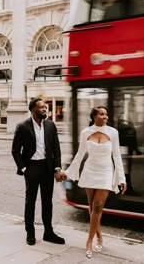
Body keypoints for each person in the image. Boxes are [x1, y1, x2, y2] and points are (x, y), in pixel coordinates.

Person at [62, 106, 127, 258]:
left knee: (98, 206)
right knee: (91, 206)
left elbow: (117, 156)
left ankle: (89, 241)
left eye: (106, 114)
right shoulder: (86, 132)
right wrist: (68, 172)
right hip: (90, 171)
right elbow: (79, 155)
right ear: (94, 116)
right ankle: (99, 236)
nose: (106, 117)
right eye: (102, 114)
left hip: (106, 172)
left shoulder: (113, 132)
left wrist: (121, 179)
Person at [11, 98, 65, 246]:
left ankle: (49, 232)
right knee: (31, 202)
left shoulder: (50, 125)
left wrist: (57, 168)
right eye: (41, 107)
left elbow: (56, 149)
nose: (44, 110)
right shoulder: (23, 126)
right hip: (31, 168)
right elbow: (15, 151)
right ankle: (30, 232)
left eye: (45, 107)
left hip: (47, 168)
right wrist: (24, 169)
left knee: (47, 202)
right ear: (33, 110)